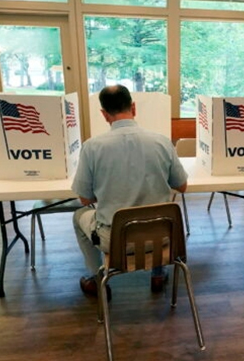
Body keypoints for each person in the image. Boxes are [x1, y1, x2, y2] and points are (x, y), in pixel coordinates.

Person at [71, 84, 188, 298]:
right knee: (155, 209)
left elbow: (85, 199)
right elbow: (181, 186)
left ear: (104, 115)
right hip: (162, 237)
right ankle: (158, 274)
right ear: (133, 108)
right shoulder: (162, 142)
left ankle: (97, 280)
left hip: (116, 241)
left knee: (79, 216)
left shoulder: (92, 147)